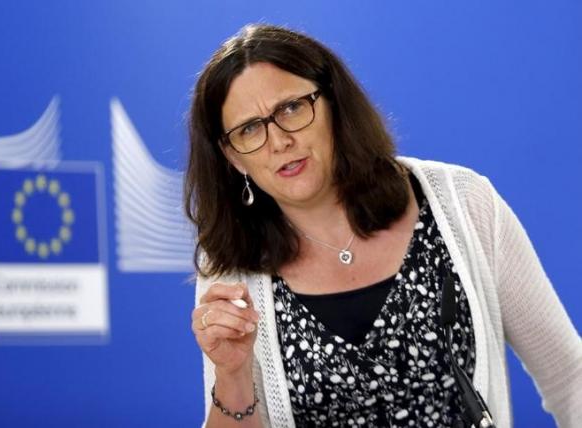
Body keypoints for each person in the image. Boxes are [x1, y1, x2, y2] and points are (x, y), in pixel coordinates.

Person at [185, 24, 581, 428]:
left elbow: (571, 378)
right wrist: (232, 376)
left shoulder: (462, 202)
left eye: (291, 108)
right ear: (232, 157)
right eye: (249, 129)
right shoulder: (231, 268)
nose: (278, 140)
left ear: (334, 104)